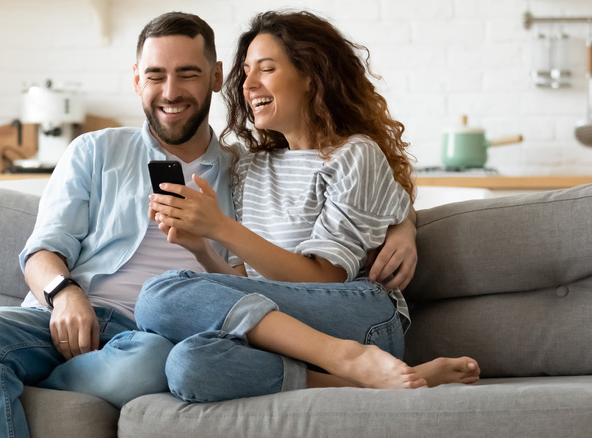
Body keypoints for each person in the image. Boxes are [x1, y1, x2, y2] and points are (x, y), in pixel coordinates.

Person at [0, 11, 419, 436]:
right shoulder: (96, 151)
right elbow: (42, 251)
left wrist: (404, 228)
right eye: (155, 75)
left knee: (156, 351)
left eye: (188, 75)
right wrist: (65, 293)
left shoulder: (240, 167)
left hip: (150, 335)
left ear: (216, 77)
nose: (170, 91)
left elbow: (359, 194)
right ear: (137, 80)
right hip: (69, 314)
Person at [135, 10, 480, 404]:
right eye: (246, 71)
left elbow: (326, 279)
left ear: (311, 76)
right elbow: (246, 285)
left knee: (158, 294)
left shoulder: (353, 155)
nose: (247, 84)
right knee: (188, 365)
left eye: (266, 68)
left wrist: (222, 228)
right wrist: (201, 247)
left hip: (358, 318)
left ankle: (350, 356)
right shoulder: (249, 167)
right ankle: (366, 379)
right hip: (284, 327)